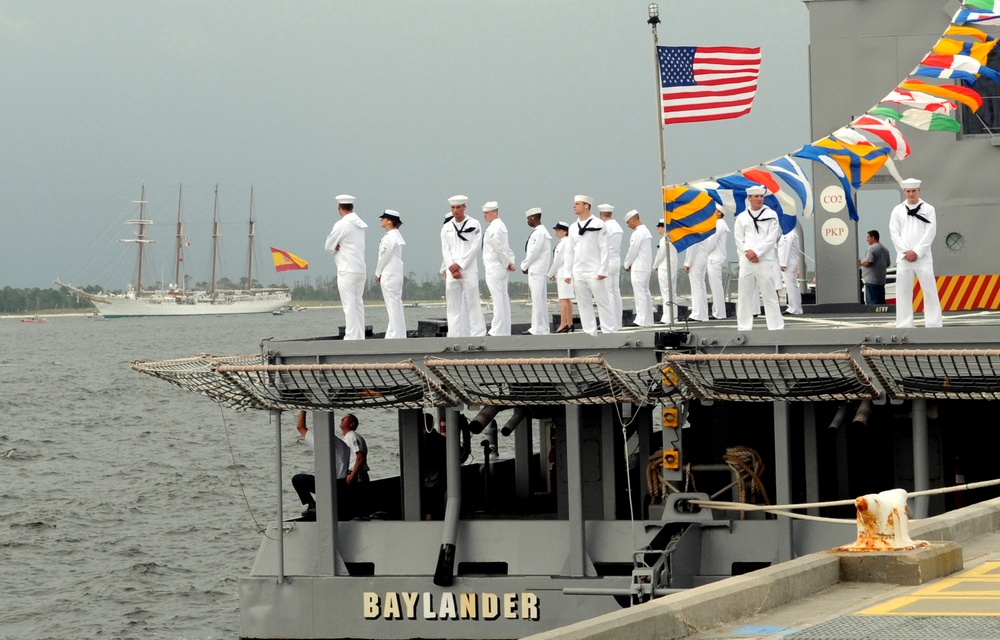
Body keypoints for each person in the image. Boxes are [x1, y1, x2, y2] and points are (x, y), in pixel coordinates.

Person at [889, 178, 942, 328]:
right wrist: (905, 252)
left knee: (929, 290)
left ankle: (933, 323)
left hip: (923, 257)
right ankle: (904, 323)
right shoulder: (897, 210)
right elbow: (894, 232)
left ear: (919, 191)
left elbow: (930, 232)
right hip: (904, 258)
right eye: (908, 191)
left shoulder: (929, 209)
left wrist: (917, 251)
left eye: (913, 191)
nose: (911, 194)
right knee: (903, 291)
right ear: (904, 192)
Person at [734, 185, 784, 331]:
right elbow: (738, 238)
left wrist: (756, 252)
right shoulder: (742, 217)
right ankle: (744, 326)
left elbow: (771, 237)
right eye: (756, 196)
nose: (759, 199)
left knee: (769, 293)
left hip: (764, 258)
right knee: (744, 294)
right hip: (746, 259)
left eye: (761, 196)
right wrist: (747, 252)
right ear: (749, 198)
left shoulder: (771, 214)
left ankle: (775, 325)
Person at [563, 195, 614, 336]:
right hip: (578, 270)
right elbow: (569, 251)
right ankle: (589, 332)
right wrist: (567, 272)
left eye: (577, 204)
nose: (574, 206)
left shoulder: (599, 224)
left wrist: (603, 269)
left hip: (594, 269)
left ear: (586, 205)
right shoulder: (573, 227)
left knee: (602, 301)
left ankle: (609, 331)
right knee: (583, 303)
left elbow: (605, 248)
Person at [440, 195, 487, 337]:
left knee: (473, 303)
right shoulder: (446, 228)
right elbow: (445, 250)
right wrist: (452, 267)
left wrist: (459, 265)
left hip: (468, 269)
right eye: (453, 208)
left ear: (464, 207)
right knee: (453, 306)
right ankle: (454, 335)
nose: (455, 211)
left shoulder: (474, 224)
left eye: (458, 207)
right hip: (452, 271)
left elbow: (475, 247)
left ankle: (478, 334)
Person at [291, 410, 349, 520]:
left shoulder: (323, 441)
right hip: (343, 484)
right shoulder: (343, 445)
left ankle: (312, 505)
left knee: (297, 479)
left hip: (330, 485)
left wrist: (303, 409)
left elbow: (300, 427)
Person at [324, 194, 367, 340]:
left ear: (339, 208)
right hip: (360, 268)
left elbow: (328, 246)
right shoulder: (360, 224)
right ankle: (359, 335)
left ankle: (351, 336)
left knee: (349, 305)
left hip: (346, 269)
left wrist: (337, 247)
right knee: (358, 304)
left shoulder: (342, 224)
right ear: (352, 207)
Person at [481, 201, 515, 336]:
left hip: (494, 267)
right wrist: (510, 262)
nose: (485, 215)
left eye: (487, 213)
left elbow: (498, 247)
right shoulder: (501, 225)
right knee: (503, 299)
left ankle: (496, 330)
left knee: (497, 301)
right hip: (501, 267)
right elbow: (506, 248)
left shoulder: (494, 228)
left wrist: (507, 263)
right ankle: (505, 330)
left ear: (495, 212)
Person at [374, 209, 406, 339]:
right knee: (396, 305)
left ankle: (393, 335)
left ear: (389, 221)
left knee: (392, 306)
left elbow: (383, 257)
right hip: (396, 274)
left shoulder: (389, 237)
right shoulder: (396, 235)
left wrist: (377, 272)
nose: (381, 220)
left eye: (383, 218)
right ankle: (399, 333)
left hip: (389, 275)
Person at [520, 207, 552, 335]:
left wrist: (524, 265)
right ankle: (543, 327)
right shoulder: (542, 232)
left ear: (533, 218)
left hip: (536, 270)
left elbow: (534, 252)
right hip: (539, 270)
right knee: (541, 300)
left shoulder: (539, 233)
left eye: (528, 219)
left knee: (537, 300)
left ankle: (536, 328)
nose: (527, 221)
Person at [623, 210, 654, 326]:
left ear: (633, 219)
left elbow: (633, 250)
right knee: (646, 293)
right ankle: (648, 319)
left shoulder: (638, 233)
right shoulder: (646, 231)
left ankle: (641, 319)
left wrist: (627, 264)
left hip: (638, 267)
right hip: (645, 267)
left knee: (640, 294)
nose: (628, 225)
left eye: (628, 222)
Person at [598, 204, 623, 330]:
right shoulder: (617, 226)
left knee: (608, 293)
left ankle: (610, 322)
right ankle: (618, 321)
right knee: (615, 292)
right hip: (616, 260)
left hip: (607, 261)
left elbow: (601, 245)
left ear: (601, 214)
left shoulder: (605, 227)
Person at [339, 412, 369, 517]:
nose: (342, 419)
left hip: (357, 474)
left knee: (358, 500)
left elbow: (360, 458)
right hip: (353, 474)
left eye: (345, 418)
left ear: (351, 424)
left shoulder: (352, 436)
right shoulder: (348, 437)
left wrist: (352, 475)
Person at [548, 221, 575, 333]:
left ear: (565, 231)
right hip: (564, 273)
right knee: (567, 299)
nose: (556, 233)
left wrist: (551, 273)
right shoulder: (566, 242)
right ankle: (569, 323)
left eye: (558, 230)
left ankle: (564, 323)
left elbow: (558, 260)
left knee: (563, 299)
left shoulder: (565, 243)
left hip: (564, 273)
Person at [420, 414, 447, 520]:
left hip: (430, 479)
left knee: (429, 507)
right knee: (437, 505)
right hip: (440, 478)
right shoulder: (442, 440)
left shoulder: (423, 441)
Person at [683, 226, 712, 322]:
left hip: (695, 261)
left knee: (696, 288)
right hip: (702, 259)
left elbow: (692, 247)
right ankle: (703, 314)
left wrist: (687, 263)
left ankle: (697, 313)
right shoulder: (703, 229)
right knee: (701, 287)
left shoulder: (694, 229)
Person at [652, 221, 679, 323]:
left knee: (666, 293)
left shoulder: (664, 239)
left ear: (663, 228)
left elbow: (661, 254)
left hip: (664, 268)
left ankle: (668, 317)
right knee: (672, 292)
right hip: (672, 267)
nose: (658, 229)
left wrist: (655, 266)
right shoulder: (673, 238)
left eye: (659, 227)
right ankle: (673, 316)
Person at [707, 209, 730, 320]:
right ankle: (717, 311)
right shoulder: (720, 224)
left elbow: (712, 241)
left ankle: (719, 312)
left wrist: (703, 252)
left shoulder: (718, 223)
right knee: (716, 286)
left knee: (716, 287)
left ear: (720, 213)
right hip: (715, 257)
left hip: (714, 258)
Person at [859, 229, 891, 305]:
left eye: (868, 237)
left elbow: (868, 262)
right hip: (881, 280)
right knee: (881, 303)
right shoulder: (885, 250)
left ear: (873, 237)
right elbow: (888, 264)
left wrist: (860, 263)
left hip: (871, 281)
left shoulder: (871, 248)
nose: (867, 240)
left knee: (872, 304)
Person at [778, 225, 803, 315]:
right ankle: (796, 307)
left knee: (790, 286)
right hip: (791, 262)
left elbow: (786, 249)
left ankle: (793, 308)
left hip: (788, 263)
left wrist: (783, 263)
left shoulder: (788, 233)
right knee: (793, 286)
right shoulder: (792, 232)